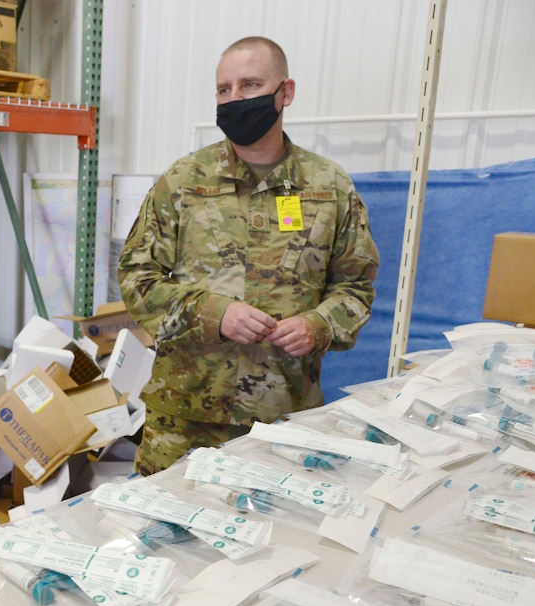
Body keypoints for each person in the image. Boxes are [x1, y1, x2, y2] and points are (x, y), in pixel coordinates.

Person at [118, 36, 380, 476]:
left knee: (274, 540)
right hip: (184, 420)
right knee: (160, 539)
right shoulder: (183, 181)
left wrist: (318, 325)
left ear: (286, 92)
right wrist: (212, 313)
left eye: (250, 85)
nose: (235, 99)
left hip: (284, 419)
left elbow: (355, 288)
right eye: (225, 90)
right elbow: (136, 278)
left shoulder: (329, 187)